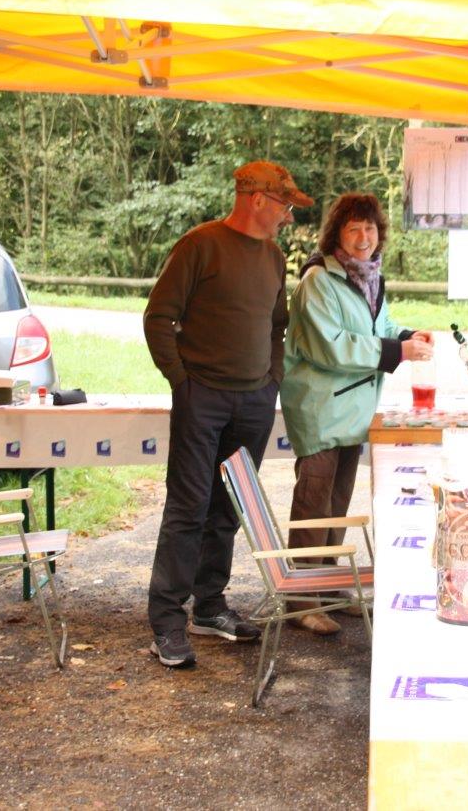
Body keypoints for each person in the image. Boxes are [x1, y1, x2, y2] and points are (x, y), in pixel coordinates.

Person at [143, 160, 310, 668]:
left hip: (254, 400)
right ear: (257, 199)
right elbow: (158, 317)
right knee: (188, 508)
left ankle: (209, 605)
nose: (288, 216)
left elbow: (277, 325)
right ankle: (167, 622)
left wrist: (271, 379)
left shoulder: (275, 257)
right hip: (203, 398)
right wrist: (183, 381)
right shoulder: (200, 245)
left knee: (228, 508)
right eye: (283, 205)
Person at [281, 193, 433, 635]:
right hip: (322, 407)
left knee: (337, 502)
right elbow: (331, 345)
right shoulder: (318, 281)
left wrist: (405, 335)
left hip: (352, 409)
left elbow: (377, 327)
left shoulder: (368, 277)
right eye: (353, 229)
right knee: (314, 504)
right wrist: (394, 350)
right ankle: (302, 599)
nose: (363, 237)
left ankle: (327, 587)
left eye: (369, 228)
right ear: (337, 235)